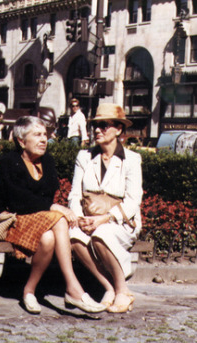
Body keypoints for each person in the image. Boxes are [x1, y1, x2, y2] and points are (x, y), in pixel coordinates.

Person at [0, 116, 106, 315]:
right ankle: (73, 288)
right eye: (37, 135)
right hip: (13, 219)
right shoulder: (8, 162)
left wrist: (51, 207)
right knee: (59, 217)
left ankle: (29, 291)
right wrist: (54, 207)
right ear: (21, 140)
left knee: (49, 238)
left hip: (39, 220)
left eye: (45, 134)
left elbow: (45, 198)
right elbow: (17, 200)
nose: (44, 139)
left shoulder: (48, 162)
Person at [68, 103, 143, 313]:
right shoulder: (84, 157)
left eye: (104, 125)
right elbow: (75, 194)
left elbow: (132, 201)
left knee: (101, 234)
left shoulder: (132, 160)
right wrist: (79, 217)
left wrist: (103, 219)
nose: (97, 130)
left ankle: (122, 290)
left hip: (120, 221)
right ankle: (108, 287)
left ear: (118, 129)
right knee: (73, 236)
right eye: (95, 126)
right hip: (88, 218)